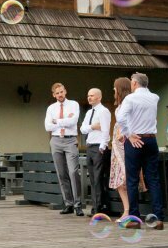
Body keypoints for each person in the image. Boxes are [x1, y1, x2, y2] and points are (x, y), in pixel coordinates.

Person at [116, 72, 165, 229]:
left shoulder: (130, 99)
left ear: (135, 83)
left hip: (135, 140)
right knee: (153, 179)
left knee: (132, 180)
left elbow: (120, 118)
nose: (131, 84)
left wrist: (129, 135)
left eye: (131, 81)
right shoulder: (155, 97)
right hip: (151, 139)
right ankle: (158, 218)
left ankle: (134, 219)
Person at [45, 82, 83, 216]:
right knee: (61, 174)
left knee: (73, 172)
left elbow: (73, 122)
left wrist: (56, 121)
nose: (60, 95)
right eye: (57, 93)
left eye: (62, 92)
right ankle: (68, 204)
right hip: (55, 141)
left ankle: (78, 204)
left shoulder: (74, 104)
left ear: (65, 91)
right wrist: (63, 121)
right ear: (54, 95)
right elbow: (47, 127)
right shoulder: (51, 108)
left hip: (70, 140)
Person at [80, 87, 112, 215]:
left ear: (99, 97)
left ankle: (99, 207)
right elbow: (82, 129)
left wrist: (102, 147)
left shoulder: (104, 111)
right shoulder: (89, 113)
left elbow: (105, 130)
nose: (89, 97)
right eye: (88, 95)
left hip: (99, 146)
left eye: (92, 95)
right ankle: (95, 206)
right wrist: (93, 126)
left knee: (99, 178)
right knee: (93, 179)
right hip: (90, 146)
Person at [109, 77, 132, 217]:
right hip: (117, 145)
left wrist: (122, 133)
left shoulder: (129, 104)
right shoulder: (119, 106)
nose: (113, 89)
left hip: (125, 143)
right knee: (119, 180)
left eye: (115, 87)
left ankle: (130, 210)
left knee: (126, 178)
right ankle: (127, 210)